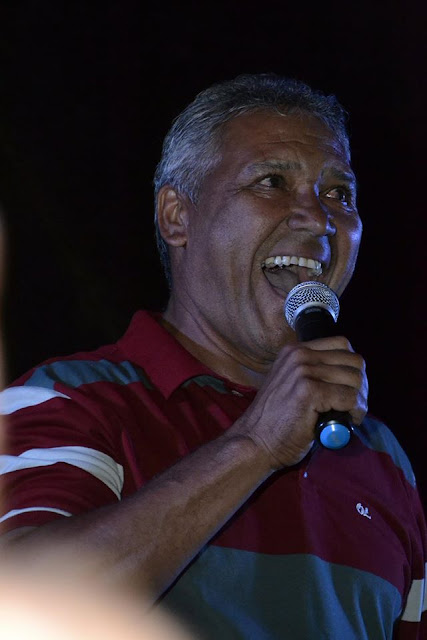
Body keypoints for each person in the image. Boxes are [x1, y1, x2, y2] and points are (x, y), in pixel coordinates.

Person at [0, 73, 425, 639]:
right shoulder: (66, 400)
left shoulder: (381, 457)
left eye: (339, 194)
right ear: (177, 216)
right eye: (273, 182)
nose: (318, 218)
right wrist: (256, 446)